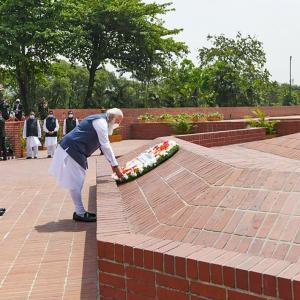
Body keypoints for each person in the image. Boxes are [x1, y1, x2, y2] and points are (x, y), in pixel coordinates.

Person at [49, 108, 125, 222]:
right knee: (77, 181)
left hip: (74, 149)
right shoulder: (101, 122)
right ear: (112, 118)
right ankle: (80, 213)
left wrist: (112, 164)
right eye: (118, 121)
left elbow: (102, 145)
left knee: (77, 180)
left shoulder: (101, 120)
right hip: (73, 149)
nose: (118, 124)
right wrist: (115, 166)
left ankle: (79, 211)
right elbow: (105, 145)